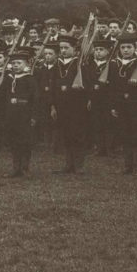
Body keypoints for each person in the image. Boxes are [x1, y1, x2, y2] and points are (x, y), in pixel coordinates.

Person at [51, 34, 91, 174]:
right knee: (66, 135)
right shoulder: (57, 65)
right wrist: (53, 105)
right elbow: (53, 86)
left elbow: (87, 84)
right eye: (61, 48)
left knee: (77, 135)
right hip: (62, 106)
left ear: (74, 49)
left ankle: (79, 165)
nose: (63, 50)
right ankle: (69, 164)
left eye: (66, 48)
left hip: (77, 106)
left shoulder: (80, 64)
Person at [107, 32, 137, 174]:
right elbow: (111, 87)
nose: (126, 50)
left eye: (129, 47)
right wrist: (113, 106)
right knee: (124, 133)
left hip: (136, 104)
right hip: (120, 104)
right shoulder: (114, 64)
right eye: (123, 47)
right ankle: (127, 165)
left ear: (135, 48)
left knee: (136, 133)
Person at [1, 47, 37, 177]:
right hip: (11, 115)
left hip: (25, 114)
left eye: (19, 63)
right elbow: (3, 96)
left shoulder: (29, 79)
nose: (15, 66)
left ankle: (25, 167)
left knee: (25, 141)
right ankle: (15, 167)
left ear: (26, 64)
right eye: (13, 63)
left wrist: (33, 115)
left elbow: (35, 99)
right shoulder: (8, 78)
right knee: (14, 140)